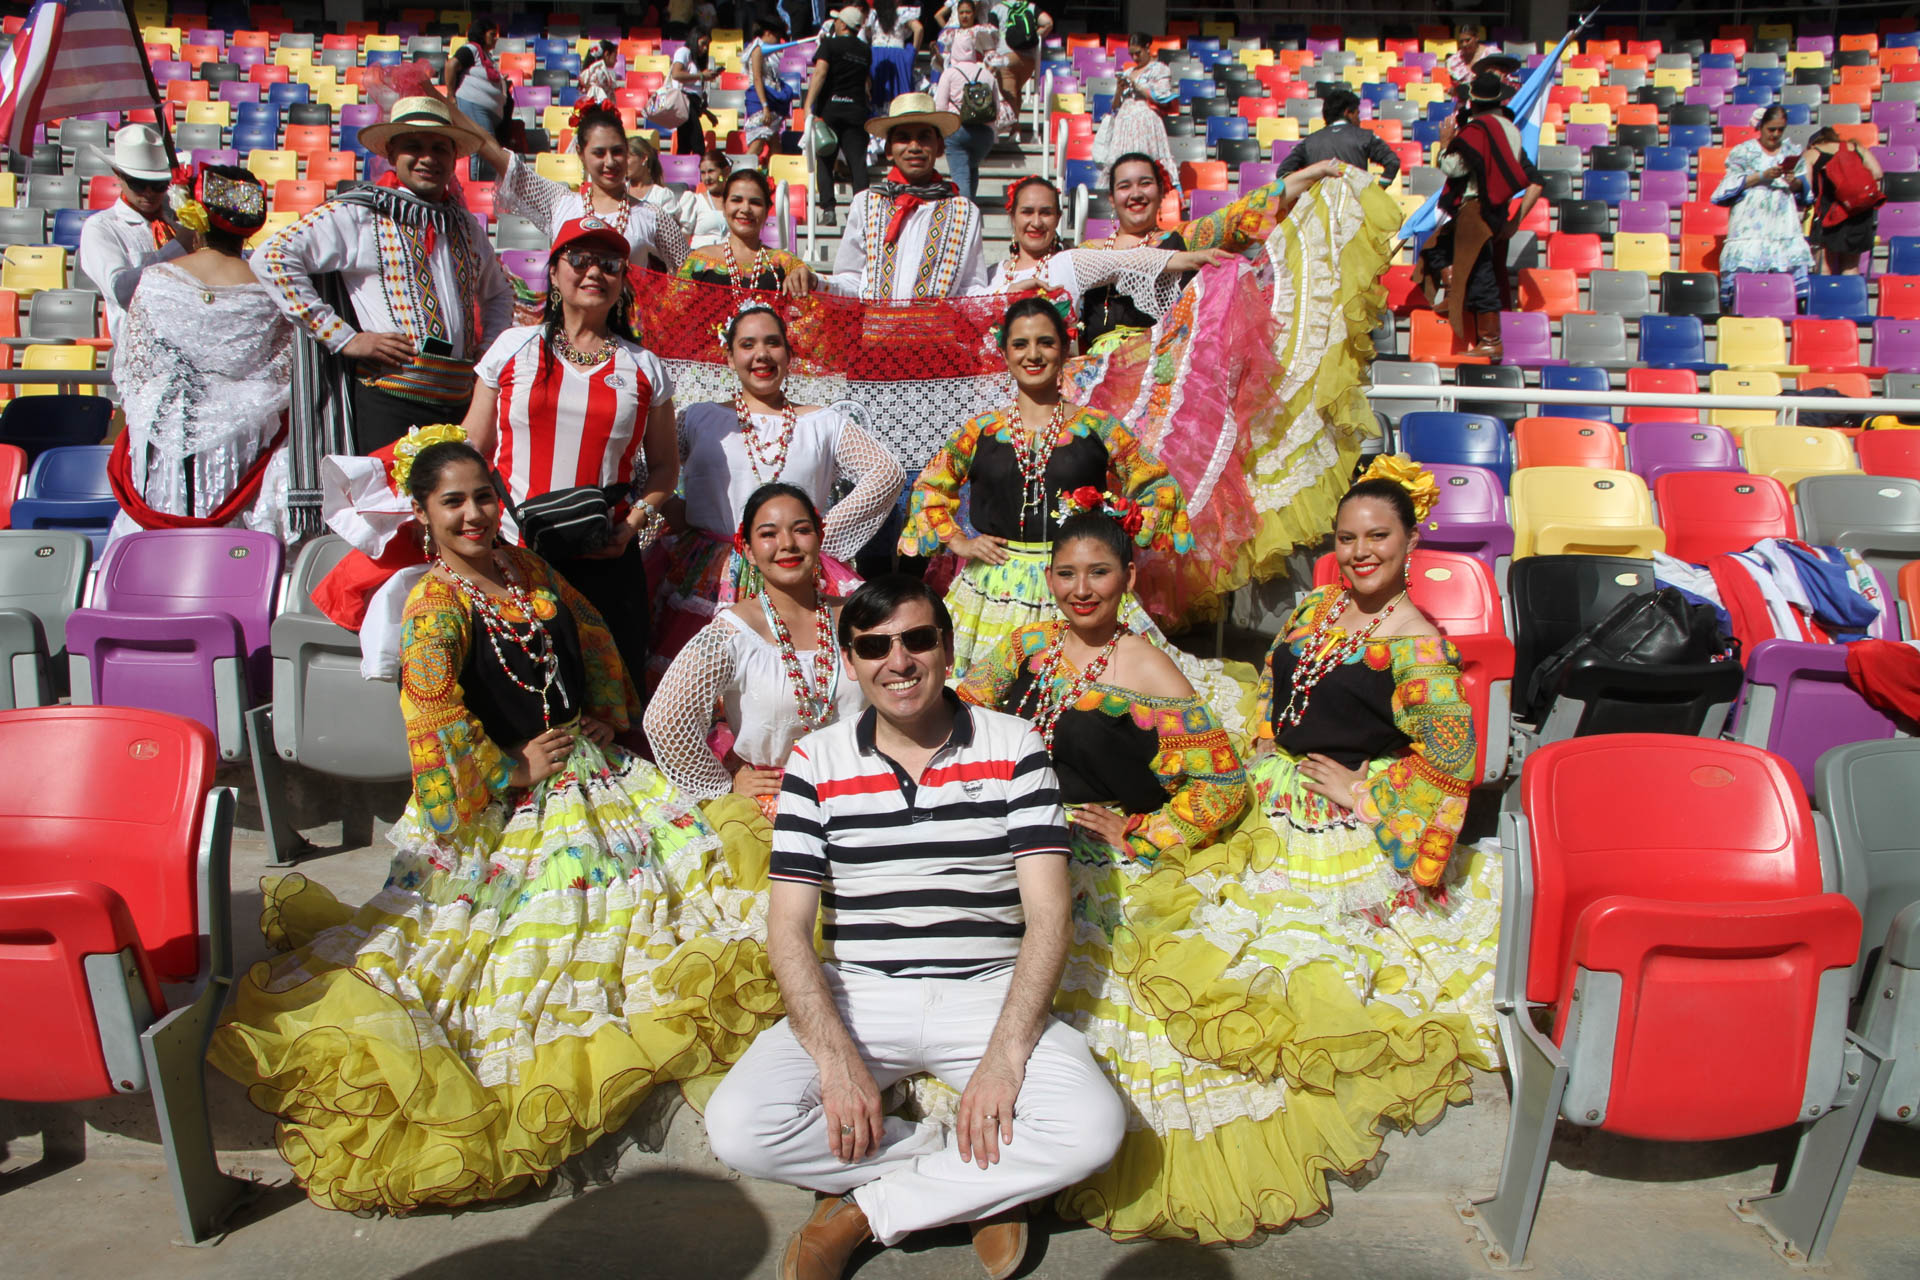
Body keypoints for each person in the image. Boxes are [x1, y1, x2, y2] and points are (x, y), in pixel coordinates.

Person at [208, 436, 771, 1214]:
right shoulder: (432, 607)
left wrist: (602, 712)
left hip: (593, 770)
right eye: (453, 502)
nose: (473, 514)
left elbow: (591, 631)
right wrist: (512, 769)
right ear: (422, 513)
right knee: (537, 942)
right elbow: (431, 724)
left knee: (686, 895)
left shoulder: (523, 567)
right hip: (504, 805)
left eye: (482, 496)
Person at [958, 493, 1494, 1242]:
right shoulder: (1314, 610)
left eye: (1379, 536)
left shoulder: (1417, 648)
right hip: (1224, 801)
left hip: (1321, 824)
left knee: (1269, 958)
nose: (1361, 550)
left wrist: (1364, 791)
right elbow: (1278, 686)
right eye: (1347, 537)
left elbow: (1452, 759)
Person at [704, 574, 1126, 1280]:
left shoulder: (1015, 744)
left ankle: (863, 1212)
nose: (897, 661)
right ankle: (971, 1175)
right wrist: (835, 1061)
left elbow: (1050, 917)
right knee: (739, 1128)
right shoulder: (816, 759)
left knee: (1093, 1129)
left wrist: (1006, 1054)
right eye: (874, 647)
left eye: (917, 640)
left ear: (948, 649)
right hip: (860, 994)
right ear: (850, 662)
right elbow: (789, 929)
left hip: (986, 991)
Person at [902, 296, 1193, 678]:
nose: (1033, 354)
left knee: (1093, 687)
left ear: (1065, 349)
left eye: (1045, 342)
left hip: (1079, 584)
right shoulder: (979, 431)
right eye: (1020, 344)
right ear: (1005, 353)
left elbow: (1158, 486)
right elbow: (929, 490)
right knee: (991, 691)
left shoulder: (1098, 427)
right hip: (993, 587)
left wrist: (1119, 524)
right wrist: (960, 542)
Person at [462, 217, 678, 680]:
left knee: (610, 699)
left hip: (607, 561)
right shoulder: (512, 346)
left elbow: (664, 468)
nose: (594, 272)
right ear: (555, 273)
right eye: (579, 260)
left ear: (622, 281)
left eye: (610, 264)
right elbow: (471, 448)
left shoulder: (645, 366)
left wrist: (631, 527)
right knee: (520, 693)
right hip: (512, 556)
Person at [653, 302, 904, 676]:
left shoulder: (823, 423)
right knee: (707, 676)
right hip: (710, 573)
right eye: (748, 344)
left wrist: (820, 533)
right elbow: (651, 467)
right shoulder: (700, 418)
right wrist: (678, 514)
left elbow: (887, 472)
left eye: (772, 343)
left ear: (789, 354)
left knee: (794, 675)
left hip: (794, 569)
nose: (761, 355)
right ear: (730, 356)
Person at [254, 96, 515, 451]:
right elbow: (272, 257)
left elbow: (499, 292)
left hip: (459, 400)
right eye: (413, 147)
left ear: (454, 156)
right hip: (390, 399)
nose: (427, 158)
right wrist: (345, 338)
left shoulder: (466, 225)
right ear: (392, 154)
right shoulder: (359, 213)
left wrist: (488, 352)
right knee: (388, 488)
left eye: (439, 148)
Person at [646, 483, 868, 816]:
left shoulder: (861, 617)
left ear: (819, 538)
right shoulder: (735, 633)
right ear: (748, 551)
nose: (787, 544)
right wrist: (724, 784)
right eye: (769, 534)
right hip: (780, 806)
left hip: (867, 787)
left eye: (801, 530)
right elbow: (666, 721)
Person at [104, 165, 292, 544]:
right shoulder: (272, 289)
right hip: (242, 432)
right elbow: (282, 373)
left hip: (163, 427)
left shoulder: (157, 279)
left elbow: (136, 370)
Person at [1077, 151, 1339, 352]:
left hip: (1161, 375)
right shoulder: (1087, 251)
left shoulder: (1185, 239)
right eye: (1124, 186)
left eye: (1145, 183)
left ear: (1161, 191)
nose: (1135, 194)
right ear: (1111, 198)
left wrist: (1311, 174)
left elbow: (1245, 212)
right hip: (1096, 379)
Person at [463, 100, 692, 275]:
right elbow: (499, 157)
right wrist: (447, 105)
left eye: (617, 151)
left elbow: (688, 271)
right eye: (599, 153)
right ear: (581, 154)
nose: (610, 162)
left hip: (630, 325)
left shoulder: (652, 216)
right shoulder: (560, 202)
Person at [1417, 70, 1544, 359]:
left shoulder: (1477, 131)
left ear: (1473, 102)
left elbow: (1453, 168)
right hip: (1497, 210)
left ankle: (1490, 339)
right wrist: (1514, 221)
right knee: (1438, 248)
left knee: (1481, 275)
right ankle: (1453, 294)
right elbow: (1532, 179)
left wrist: (1445, 144)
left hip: (1475, 209)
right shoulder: (1510, 131)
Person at [824, 93, 987, 299]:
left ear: (939, 147)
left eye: (924, 137)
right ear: (888, 149)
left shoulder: (963, 212)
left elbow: (972, 287)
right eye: (903, 138)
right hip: (876, 321)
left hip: (938, 321)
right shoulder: (866, 203)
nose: (914, 147)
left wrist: (1008, 291)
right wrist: (816, 282)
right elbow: (850, 278)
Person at [78, 125, 190, 346]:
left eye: (158, 185)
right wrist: (180, 246)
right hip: (137, 349)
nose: (149, 193)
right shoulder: (101, 228)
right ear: (119, 176)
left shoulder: (177, 228)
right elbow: (123, 291)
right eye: (138, 184)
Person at [1713, 105, 1813, 311]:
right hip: (1750, 221)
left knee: (1783, 279)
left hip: (1782, 221)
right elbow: (1729, 185)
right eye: (1771, 129)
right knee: (1746, 279)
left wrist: (1793, 181)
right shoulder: (1744, 152)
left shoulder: (1792, 151)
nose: (1775, 134)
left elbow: (1802, 188)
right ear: (1761, 127)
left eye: (1780, 130)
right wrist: (1761, 176)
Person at [676, 168, 817, 290]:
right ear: (724, 207)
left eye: (755, 203)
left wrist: (806, 278)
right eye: (736, 200)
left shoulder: (785, 262)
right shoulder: (699, 260)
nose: (745, 209)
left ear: (767, 210)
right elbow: (674, 309)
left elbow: (818, 287)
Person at [803, 6, 875, 226]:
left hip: (831, 110)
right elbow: (866, 82)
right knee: (858, 164)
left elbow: (820, 73)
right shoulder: (865, 50)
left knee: (825, 161)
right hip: (857, 111)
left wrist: (808, 104)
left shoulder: (829, 44)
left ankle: (828, 210)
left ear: (842, 24)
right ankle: (862, 214)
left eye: (837, 20)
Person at [1092, 34, 1178, 196]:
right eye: (1131, 54)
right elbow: (1115, 106)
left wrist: (1138, 88)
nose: (1135, 58)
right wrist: (1119, 89)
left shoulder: (1160, 69)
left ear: (1147, 48)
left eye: (1138, 53)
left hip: (1145, 123)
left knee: (1145, 165)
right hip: (1123, 126)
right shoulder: (1128, 72)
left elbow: (1163, 98)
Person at [934, 26, 1005, 200]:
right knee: (972, 169)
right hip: (984, 135)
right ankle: (971, 208)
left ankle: (965, 211)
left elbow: (940, 106)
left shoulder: (950, 73)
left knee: (960, 175)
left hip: (957, 130)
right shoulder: (987, 74)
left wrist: (941, 133)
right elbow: (997, 108)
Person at [1805, 125, 1885, 277]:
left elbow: (1806, 187)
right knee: (1850, 267)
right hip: (1859, 212)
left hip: (1829, 214)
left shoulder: (1812, 153)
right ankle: (1849, 293)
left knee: (1824, 267)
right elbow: (1877, 173)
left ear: (1814, 142)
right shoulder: (1856, 148)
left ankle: (1826, 293)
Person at [1277, 87, 1401, 185]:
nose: (1359, 120)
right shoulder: (1364, 136)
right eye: (1357, 114)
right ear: (1348, 113)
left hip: (1319, 206)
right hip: (1354, 204)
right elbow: (1393, 162)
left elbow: (1283, 172)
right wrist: (1379, 189)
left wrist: (1302, 194)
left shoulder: (1309, 141)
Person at [445, 18, 511, 145]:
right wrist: (451, 96)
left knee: (485, 148)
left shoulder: (487, 56)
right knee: (483, 148)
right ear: (481, 34)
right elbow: (451, 65)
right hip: (474, 105)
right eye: (492, 34)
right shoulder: (471, 49)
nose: (496, 38)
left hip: (487, 110)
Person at [744, 16, 796, 167]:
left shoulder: (770, 53)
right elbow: (757, 79)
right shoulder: (757, 50)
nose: (779, 40)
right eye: (777, 36)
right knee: (759, 142)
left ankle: (776, 172)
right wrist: (765, 106)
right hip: (761, 100)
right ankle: (740, 172)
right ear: (767, 33)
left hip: (772, 98)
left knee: (774, 140)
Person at [669, 28, 723, 158]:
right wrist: (701, 76)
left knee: (685, 146)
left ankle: (681, 168)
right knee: (697, 144)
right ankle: (699, 168)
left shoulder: (696, 60)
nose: (705, 48)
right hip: (684, 102)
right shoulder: (684, 52)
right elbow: (676, 74)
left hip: (692, 104)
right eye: (702, 44)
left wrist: (706, 112)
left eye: (707, 45)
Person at [677, 146, 736, 248]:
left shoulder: (736, 201)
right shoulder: (695, 201)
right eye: (703, 173)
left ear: (725, 171)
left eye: (711, 171)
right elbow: (683, 240)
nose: (707, 178)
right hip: (700, 255)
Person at [626, 135, 683, 222]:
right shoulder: (618, 190)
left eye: (627, 158)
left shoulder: (662, 195)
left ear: (644, 158)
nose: (622, 163)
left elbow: (669, 228)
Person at [1445, 23, 1497, 93]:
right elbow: (1453, 87)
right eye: (1461, 41)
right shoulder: (1454, 61)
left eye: (1468, 40)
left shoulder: (1491, 54)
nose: (1464, 44)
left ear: (1477, 37)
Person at [579, 39, 622, 105]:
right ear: (607, 54)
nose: (616, 60)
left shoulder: (591, 72)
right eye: (615, 56)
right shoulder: (599, 72)